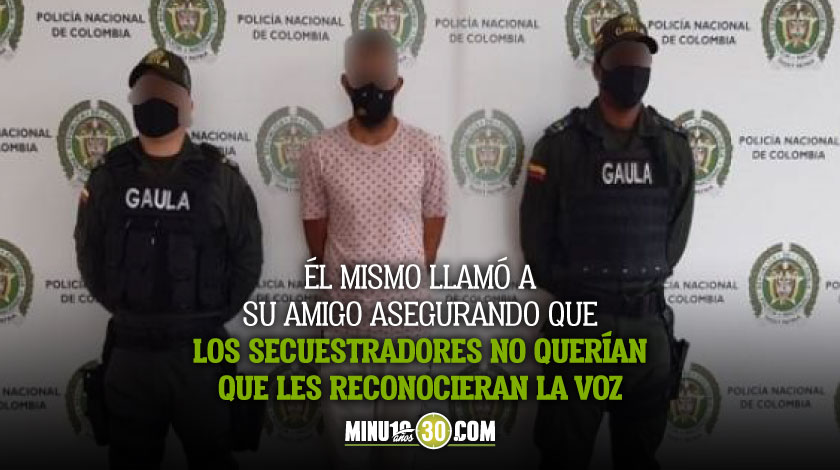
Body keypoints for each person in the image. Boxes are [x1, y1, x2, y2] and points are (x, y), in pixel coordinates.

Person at [74, 48, 263, 470]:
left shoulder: (220, 177)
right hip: (131, 353)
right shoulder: (109, 176)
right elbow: (90, 256)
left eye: (166, 92)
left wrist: (204, 318)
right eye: (145, 91)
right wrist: (133, 312)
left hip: (201, 357)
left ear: (188, 105)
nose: (154, 100)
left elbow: (247, 260)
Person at [520, 14, 694, 470]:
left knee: (639, 458)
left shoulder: (673, 147)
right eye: (621, 58)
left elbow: (673, 244)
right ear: (598, 68)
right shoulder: (559, 146)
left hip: (648, 331)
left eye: (641, 58)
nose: (633, 68)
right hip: (581, 330)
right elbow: (537, 248)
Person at [299, 29, 448, 469]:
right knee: (346, 454)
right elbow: (316, 235)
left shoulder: (427, 148)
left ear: (397, 84)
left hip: (408, 330)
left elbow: (433, 229)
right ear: (345, 83)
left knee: (401, 454)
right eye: (362, 77)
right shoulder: (319, 151)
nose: (371, 87)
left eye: (381, 77)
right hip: (344, 330)